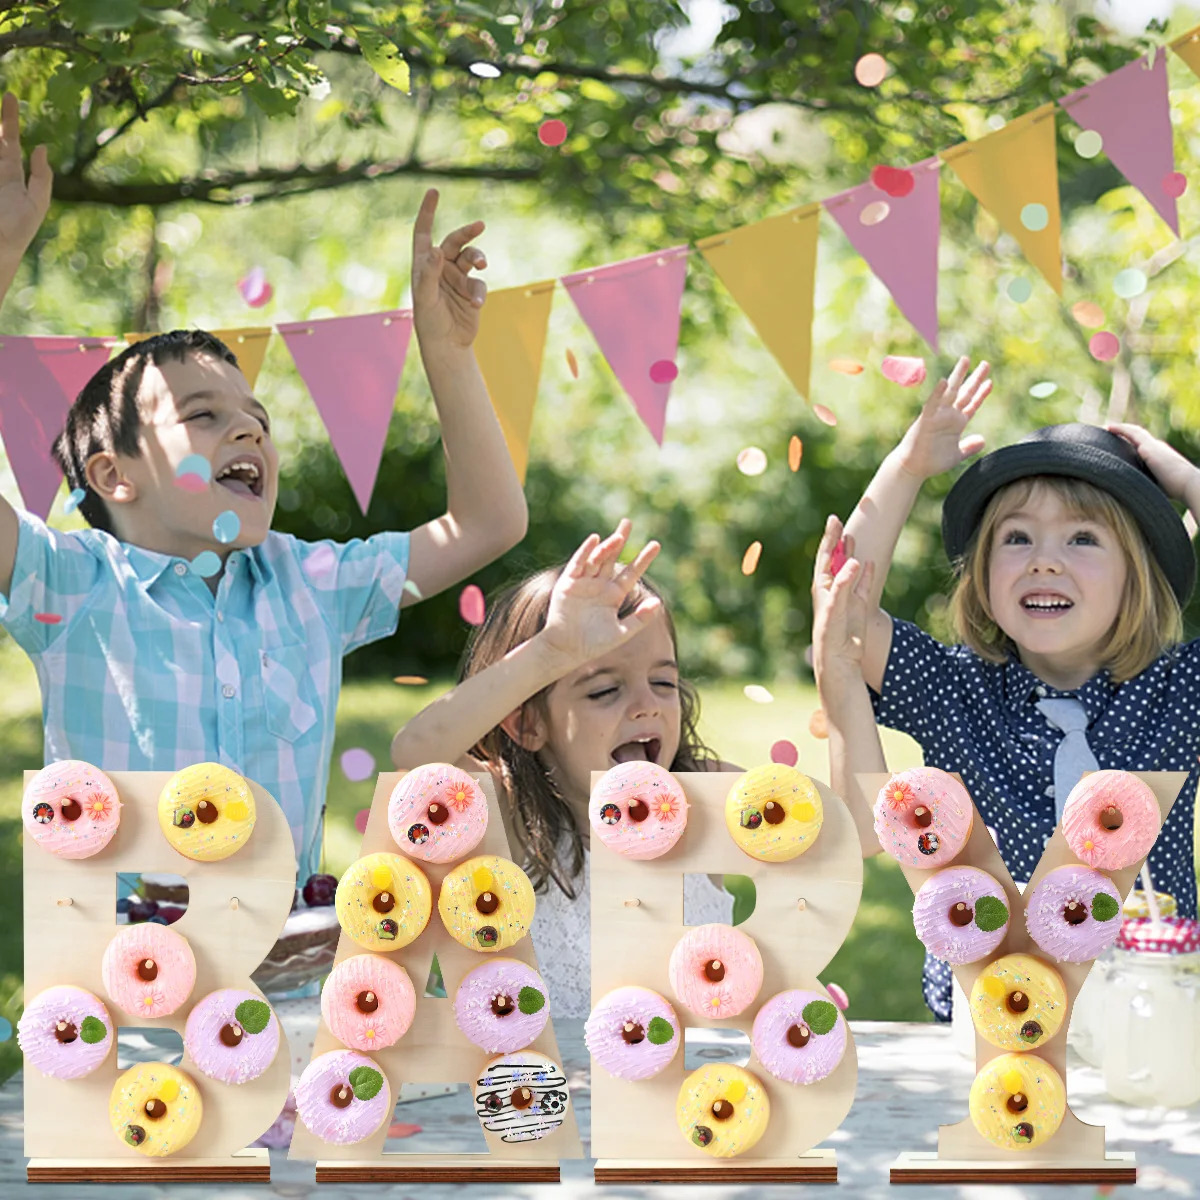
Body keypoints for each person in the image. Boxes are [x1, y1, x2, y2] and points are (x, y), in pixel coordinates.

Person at [0, 92, 528, 887]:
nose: (249, 432)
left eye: (257, 417)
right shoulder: (66, 585)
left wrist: (448, 353)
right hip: (116, 995)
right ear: (115, 474)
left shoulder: (310, 585)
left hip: (284, 990)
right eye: (203, 415)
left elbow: (488, 522)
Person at [831, 355, 1200, 1019]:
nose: (1045, 560)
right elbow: (843, 615)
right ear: (982, 577)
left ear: (1136, 577)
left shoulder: (1178, 690)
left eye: (1083, 538)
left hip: (1149, 1013)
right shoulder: (955, 689)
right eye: (1018, 538)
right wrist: (907, 467)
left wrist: (1188, 482)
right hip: (983, 1026)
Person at [391, 520, 740, 1017]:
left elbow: (845, 829)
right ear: (527, 724)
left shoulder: (702, 797)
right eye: (604, 690)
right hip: (547, 1091)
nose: (647, 706)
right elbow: (416, 751)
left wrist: (840, 675)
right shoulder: (512, 821)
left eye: (664, 683)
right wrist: (551, 652)